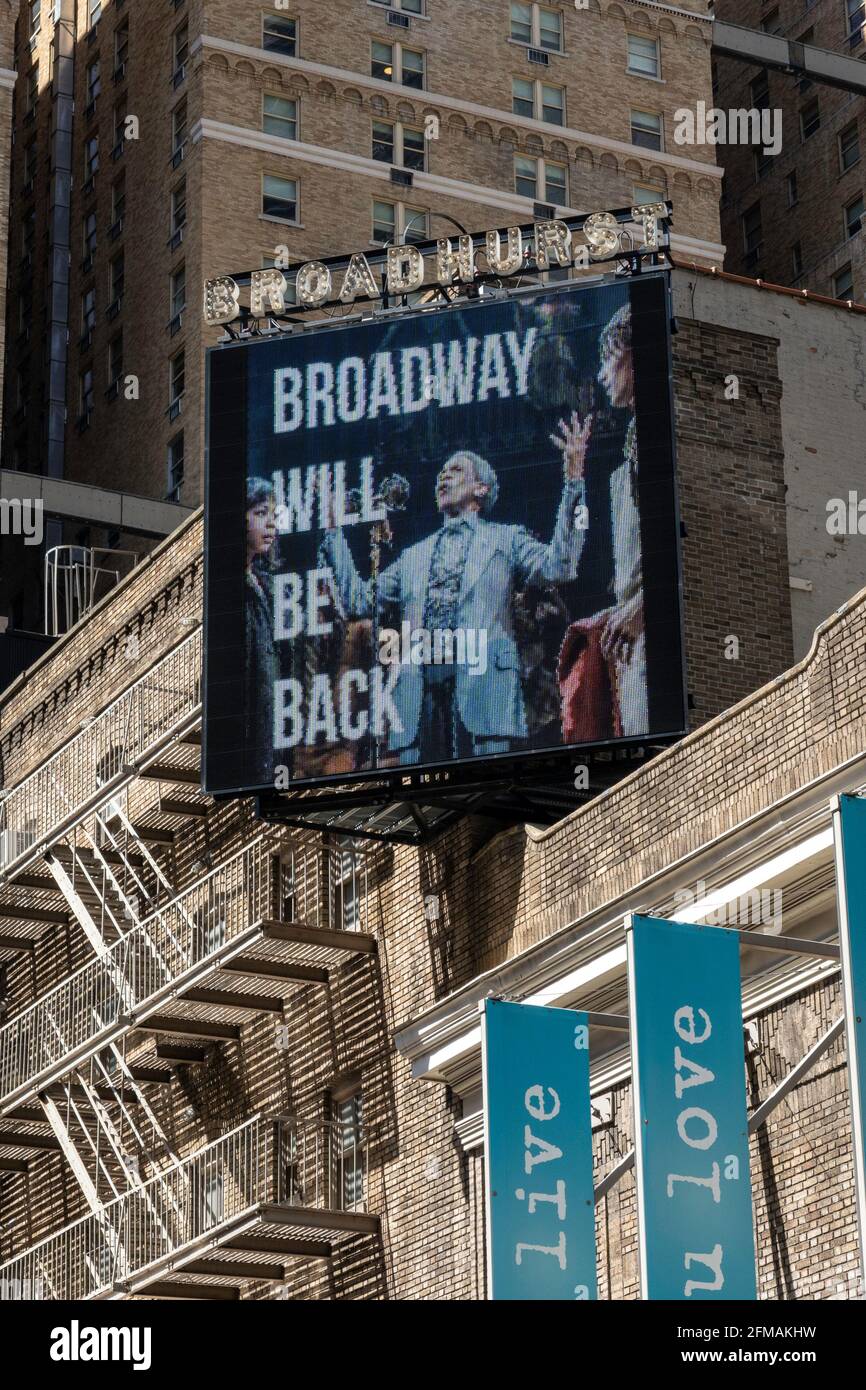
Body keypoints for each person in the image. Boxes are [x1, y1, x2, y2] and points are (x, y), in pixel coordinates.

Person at [320, 447, 589, 766]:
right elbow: (359, 601)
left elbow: (561, 566)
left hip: (483, 684)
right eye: (441, 472)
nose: (443, 476)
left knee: (490, 785)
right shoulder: (413, 557)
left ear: (481, 489)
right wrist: (334, 530)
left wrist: (573, 483)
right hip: (420, 691)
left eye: (456, 470)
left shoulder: (505, 539)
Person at [552, 301, 648, 739]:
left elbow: (702, 548)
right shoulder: (629, 453)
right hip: (630, 642)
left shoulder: (667, 437)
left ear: (636, 353)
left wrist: (642, 608)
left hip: (654, 639)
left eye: (610, 357)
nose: (603, 375)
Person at [245, 477, 278, 784]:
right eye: (260, 513)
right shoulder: (234, 589)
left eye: (273, 515)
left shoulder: (263, 581)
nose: (270, 524)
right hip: (249, 742)